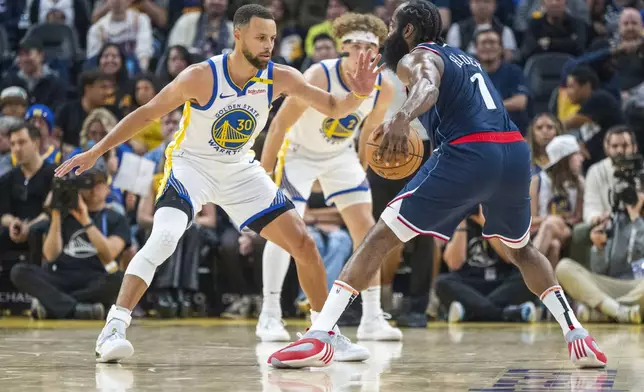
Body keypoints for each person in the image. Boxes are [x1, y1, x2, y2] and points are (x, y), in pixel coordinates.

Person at [269, 0, 606, 369]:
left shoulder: (419, 56)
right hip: (512, 153)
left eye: (395, 27)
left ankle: (320, 335)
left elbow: (426, 87)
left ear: (409, 31)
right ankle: (576, 334)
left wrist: (402, 117)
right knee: (522, 249)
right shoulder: (465, 58)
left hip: (468, 152)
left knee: (380, 235)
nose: (390, 35)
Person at [55, 4, 383, 364]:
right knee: (164, 238)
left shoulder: (280, 77)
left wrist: (360, 95)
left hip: (239, 169)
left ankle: (324, 332)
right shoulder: (201, 76)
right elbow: (146, 113)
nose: (268, 46)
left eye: (272, 39)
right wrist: (97, 151)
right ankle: (113, 328)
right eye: (260, 38)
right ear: (237, 35)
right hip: (191, 168)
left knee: (303, 242)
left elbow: (335, 107)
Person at [257, 12, 402, 343]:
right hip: (299, 154)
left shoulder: (384, 87)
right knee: (284, 230)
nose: (364, 51)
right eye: (357, 44)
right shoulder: (318, 76)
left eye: (372, 45)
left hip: (340, 156)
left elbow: (367, 132)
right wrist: (265, 171)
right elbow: (279, 124)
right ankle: (269, 314)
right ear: (343, 47)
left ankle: (372, 317)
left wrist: (363, 167)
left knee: (368, 228)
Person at [10, 166, 128, 320]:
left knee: (120, 279)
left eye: (98, 183)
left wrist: (85, 220)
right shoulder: (64, 216)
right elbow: (51, 255)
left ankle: (55, 306)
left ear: (107, 189)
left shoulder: (116, 218)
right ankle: (78, 309)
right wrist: (57, 212)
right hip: (60, 276)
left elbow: (109, 254)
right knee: (19, 272)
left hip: (94, 278)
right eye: (87, 183)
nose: (93, 188)